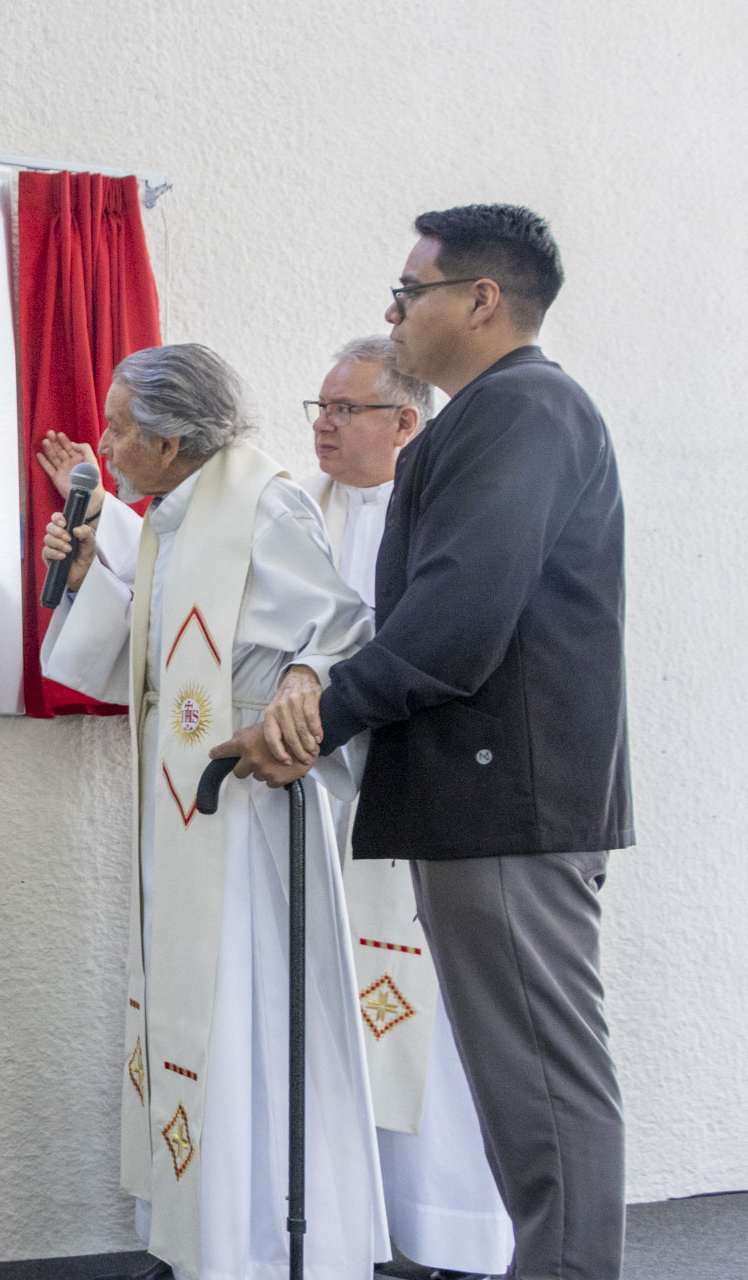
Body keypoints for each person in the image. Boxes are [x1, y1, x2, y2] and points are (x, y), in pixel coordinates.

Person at [217, 205, 631, 1279]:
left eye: (411, 291)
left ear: (482, 300)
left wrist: (317, 714)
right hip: (485, 804)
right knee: (521, 1090)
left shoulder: (524, 409)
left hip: (510, 806)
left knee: (544, 1090)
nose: (392, 311)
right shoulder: (488, 415)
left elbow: (456, 616)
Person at [39, 344, 384, 1280]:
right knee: (200, 1014)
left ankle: (262, 1242)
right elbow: (145, 669)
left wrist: (302, 686)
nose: (105, 445)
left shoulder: (263, 505)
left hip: (253, 814)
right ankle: (204, 1233)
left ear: (172, 437)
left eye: (118, 428)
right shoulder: (168, 524)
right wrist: (81, 580)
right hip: (184, 817)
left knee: (248, 1017)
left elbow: (346, 628)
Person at [301, 339, 513, 1280]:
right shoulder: (304, 513)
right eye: (319, 406)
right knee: (342, 1014)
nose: (323, 423)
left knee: (428, 1024)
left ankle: (452, 1228)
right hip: (327, 800)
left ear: (405, 422)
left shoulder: (426, 517)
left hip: (409, 787)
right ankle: (364, 1227)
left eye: (345, 408)